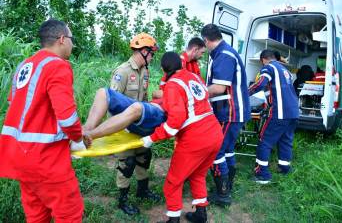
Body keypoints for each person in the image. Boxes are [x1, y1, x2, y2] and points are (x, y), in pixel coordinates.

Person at [83, 52, 223, 223]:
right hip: (214, 133)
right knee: (198, 175)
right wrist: (161, 96)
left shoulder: (172, 85)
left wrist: (151, 138)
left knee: (173, 182)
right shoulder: (193, 77)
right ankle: (201, 214)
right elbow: (181, 99)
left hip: (193, 136)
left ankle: (173, 220)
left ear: (164, 69)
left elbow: (175, 122)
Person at [0, 19, 85, 222]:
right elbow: (67, 117)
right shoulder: (58, 66)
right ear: (62, 39)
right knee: (69, 214)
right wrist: (78, 139)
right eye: (72, 39)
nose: (73, 45)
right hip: (48, 161)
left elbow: (18, 106)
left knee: (36, 216)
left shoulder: (25, 65)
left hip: (21, 158)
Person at [84, 32, 161, 215]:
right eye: (151, 53)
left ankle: (143, 191)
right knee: (127, 162)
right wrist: (121, 126)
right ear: (143, 51)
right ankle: (122, 200)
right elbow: (111, 102)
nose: (152, 56)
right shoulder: (122, 72)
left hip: (139, 124)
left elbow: (143, 99)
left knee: (144, 155)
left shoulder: (145, 71)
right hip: (123, 126)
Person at [201, 24, 251, 206]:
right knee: (228, 149)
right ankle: (227, 186)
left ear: (206, 40)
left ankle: (222, 195)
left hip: (228, 112)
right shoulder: (227, 52)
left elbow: (218, 88)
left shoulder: (223, 55)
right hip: (234, 112)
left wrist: (196, 94)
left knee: (216, 150)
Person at [248, 49, 299, 184]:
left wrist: (244, 93)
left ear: (263, 59)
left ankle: (262, 174)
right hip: (293, 112)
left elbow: (260, 84)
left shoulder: (268, 68)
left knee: (264, 140)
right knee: (285, 140)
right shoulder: (285, 70)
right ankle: (284, 168)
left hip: (279, 113)